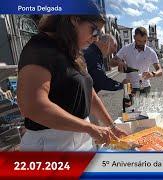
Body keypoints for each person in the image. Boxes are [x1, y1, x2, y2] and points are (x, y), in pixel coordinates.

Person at [17, 13, 127, 151]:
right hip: (51, 144)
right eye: (94, 30)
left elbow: (90, 94)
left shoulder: (74, 53)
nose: (96, 38)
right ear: (74, 20)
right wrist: (89, 127)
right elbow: (33, 106)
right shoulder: (40, 47)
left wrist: (112, 127)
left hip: (81, 140)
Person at [110, 27, 163, 94]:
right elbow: (111, 63)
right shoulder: (126, 49)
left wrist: (153, 74)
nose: (142, 44)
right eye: (139, 41)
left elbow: (160, 71)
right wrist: (119, 62)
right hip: (129, 85)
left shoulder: (150, 52)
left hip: (145, 86)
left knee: (145, 104)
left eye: (144, 41)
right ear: (134, 37)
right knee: (128, 104)